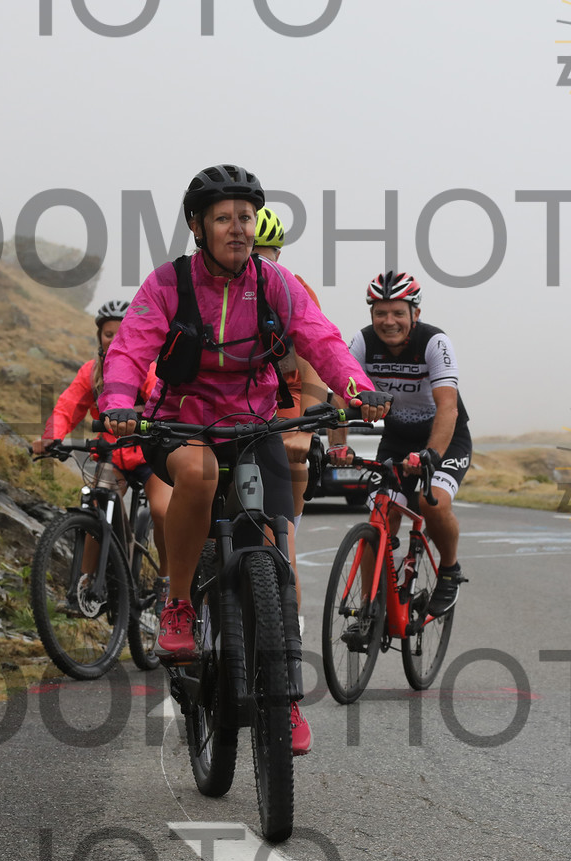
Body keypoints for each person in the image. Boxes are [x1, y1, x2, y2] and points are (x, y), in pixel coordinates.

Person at [99, 165, 390, 756]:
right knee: (200, 475)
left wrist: (358, 389)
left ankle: (283, 699)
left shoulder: (275, 283)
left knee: (278, 555)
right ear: (198, 226)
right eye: (223, 219)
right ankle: (179, 605)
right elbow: (129, 348)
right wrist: (119, 402)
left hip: (254, 424)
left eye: (245, 218)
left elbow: (322, 339)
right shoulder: (169, 284)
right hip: (181, 421)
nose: (238, 228)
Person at [331, 269, 470, 616]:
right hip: (397, 438)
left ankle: (449, 570)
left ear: (415, 313)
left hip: (444, 437)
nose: (388, 321)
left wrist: (431, 454)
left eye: (397, 312)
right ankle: (368, 611)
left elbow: (448, 407)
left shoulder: (434, 342)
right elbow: (340, 393)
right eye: (380, 313)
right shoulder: (362, 342)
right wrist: (338, 445)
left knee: (431, 504)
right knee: (381, 514)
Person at [31, 300, 170, 592]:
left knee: (162, 511)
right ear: (100, 337)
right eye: (108, 334)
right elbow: (68, 407)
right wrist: (51, 437)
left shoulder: (147, 370)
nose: (114, 339)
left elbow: (162, 405)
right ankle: (85, 585)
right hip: (112, 457)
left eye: (121, 333)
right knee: (98, 506)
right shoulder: (90, 372)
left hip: (150, 456)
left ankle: (166, 582)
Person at [252, 206, 326, 609]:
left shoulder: (293, 289)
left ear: (279, 255)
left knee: (281, 530)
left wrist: (304, 429)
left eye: (267, 256)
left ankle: (288, 623)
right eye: (251, 254)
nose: (259, 265)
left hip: (287, 396)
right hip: (232, 400)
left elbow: (315, 359)